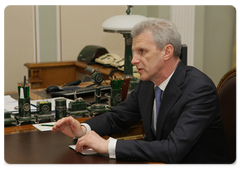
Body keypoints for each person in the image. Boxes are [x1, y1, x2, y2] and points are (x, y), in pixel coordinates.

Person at [52, 18, 230, 164]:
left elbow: (173, 149)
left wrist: (108, 147)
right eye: (134, 52)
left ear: (167, 52)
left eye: (142, 51)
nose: (133, 60)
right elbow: (118, 117)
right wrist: (83, 129)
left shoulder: (199, 90)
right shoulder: (148, 83)